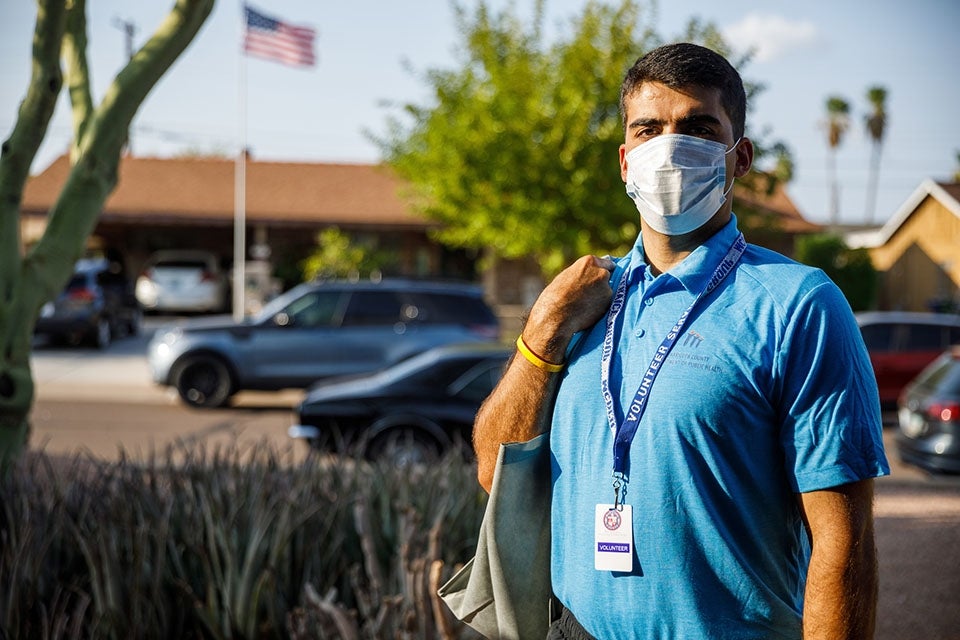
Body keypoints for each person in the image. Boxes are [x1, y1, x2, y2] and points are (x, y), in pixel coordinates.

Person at [473, 42, 889, 640]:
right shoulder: (583, 301)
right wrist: (541, 333)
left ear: (739, 157)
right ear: (624, 160)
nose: (669, 147)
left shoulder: (797, 304)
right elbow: (494, 471)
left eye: (697, 127)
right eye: (649, 129)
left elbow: (843, 543)